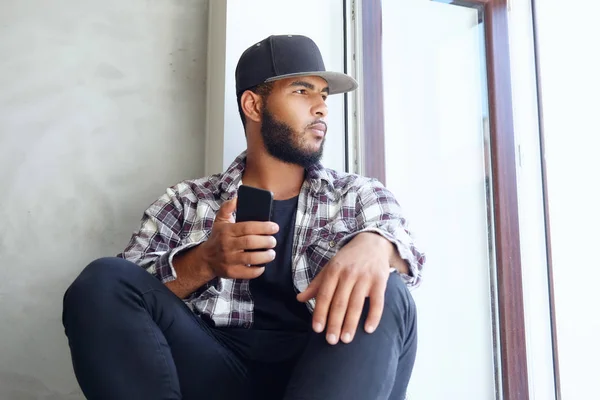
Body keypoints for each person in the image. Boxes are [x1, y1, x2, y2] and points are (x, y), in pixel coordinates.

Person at [62, 34, 425, 400]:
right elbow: (120, 304)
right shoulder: (187, 201)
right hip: (215, 370)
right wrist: (203, 261)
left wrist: (376, 245)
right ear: (253, 105)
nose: (321, 108)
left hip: (328, 369)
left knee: (384, 287)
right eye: (302, 91)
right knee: (102, 279)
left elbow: (410, 256)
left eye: (324, 95)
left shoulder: (357, 195)